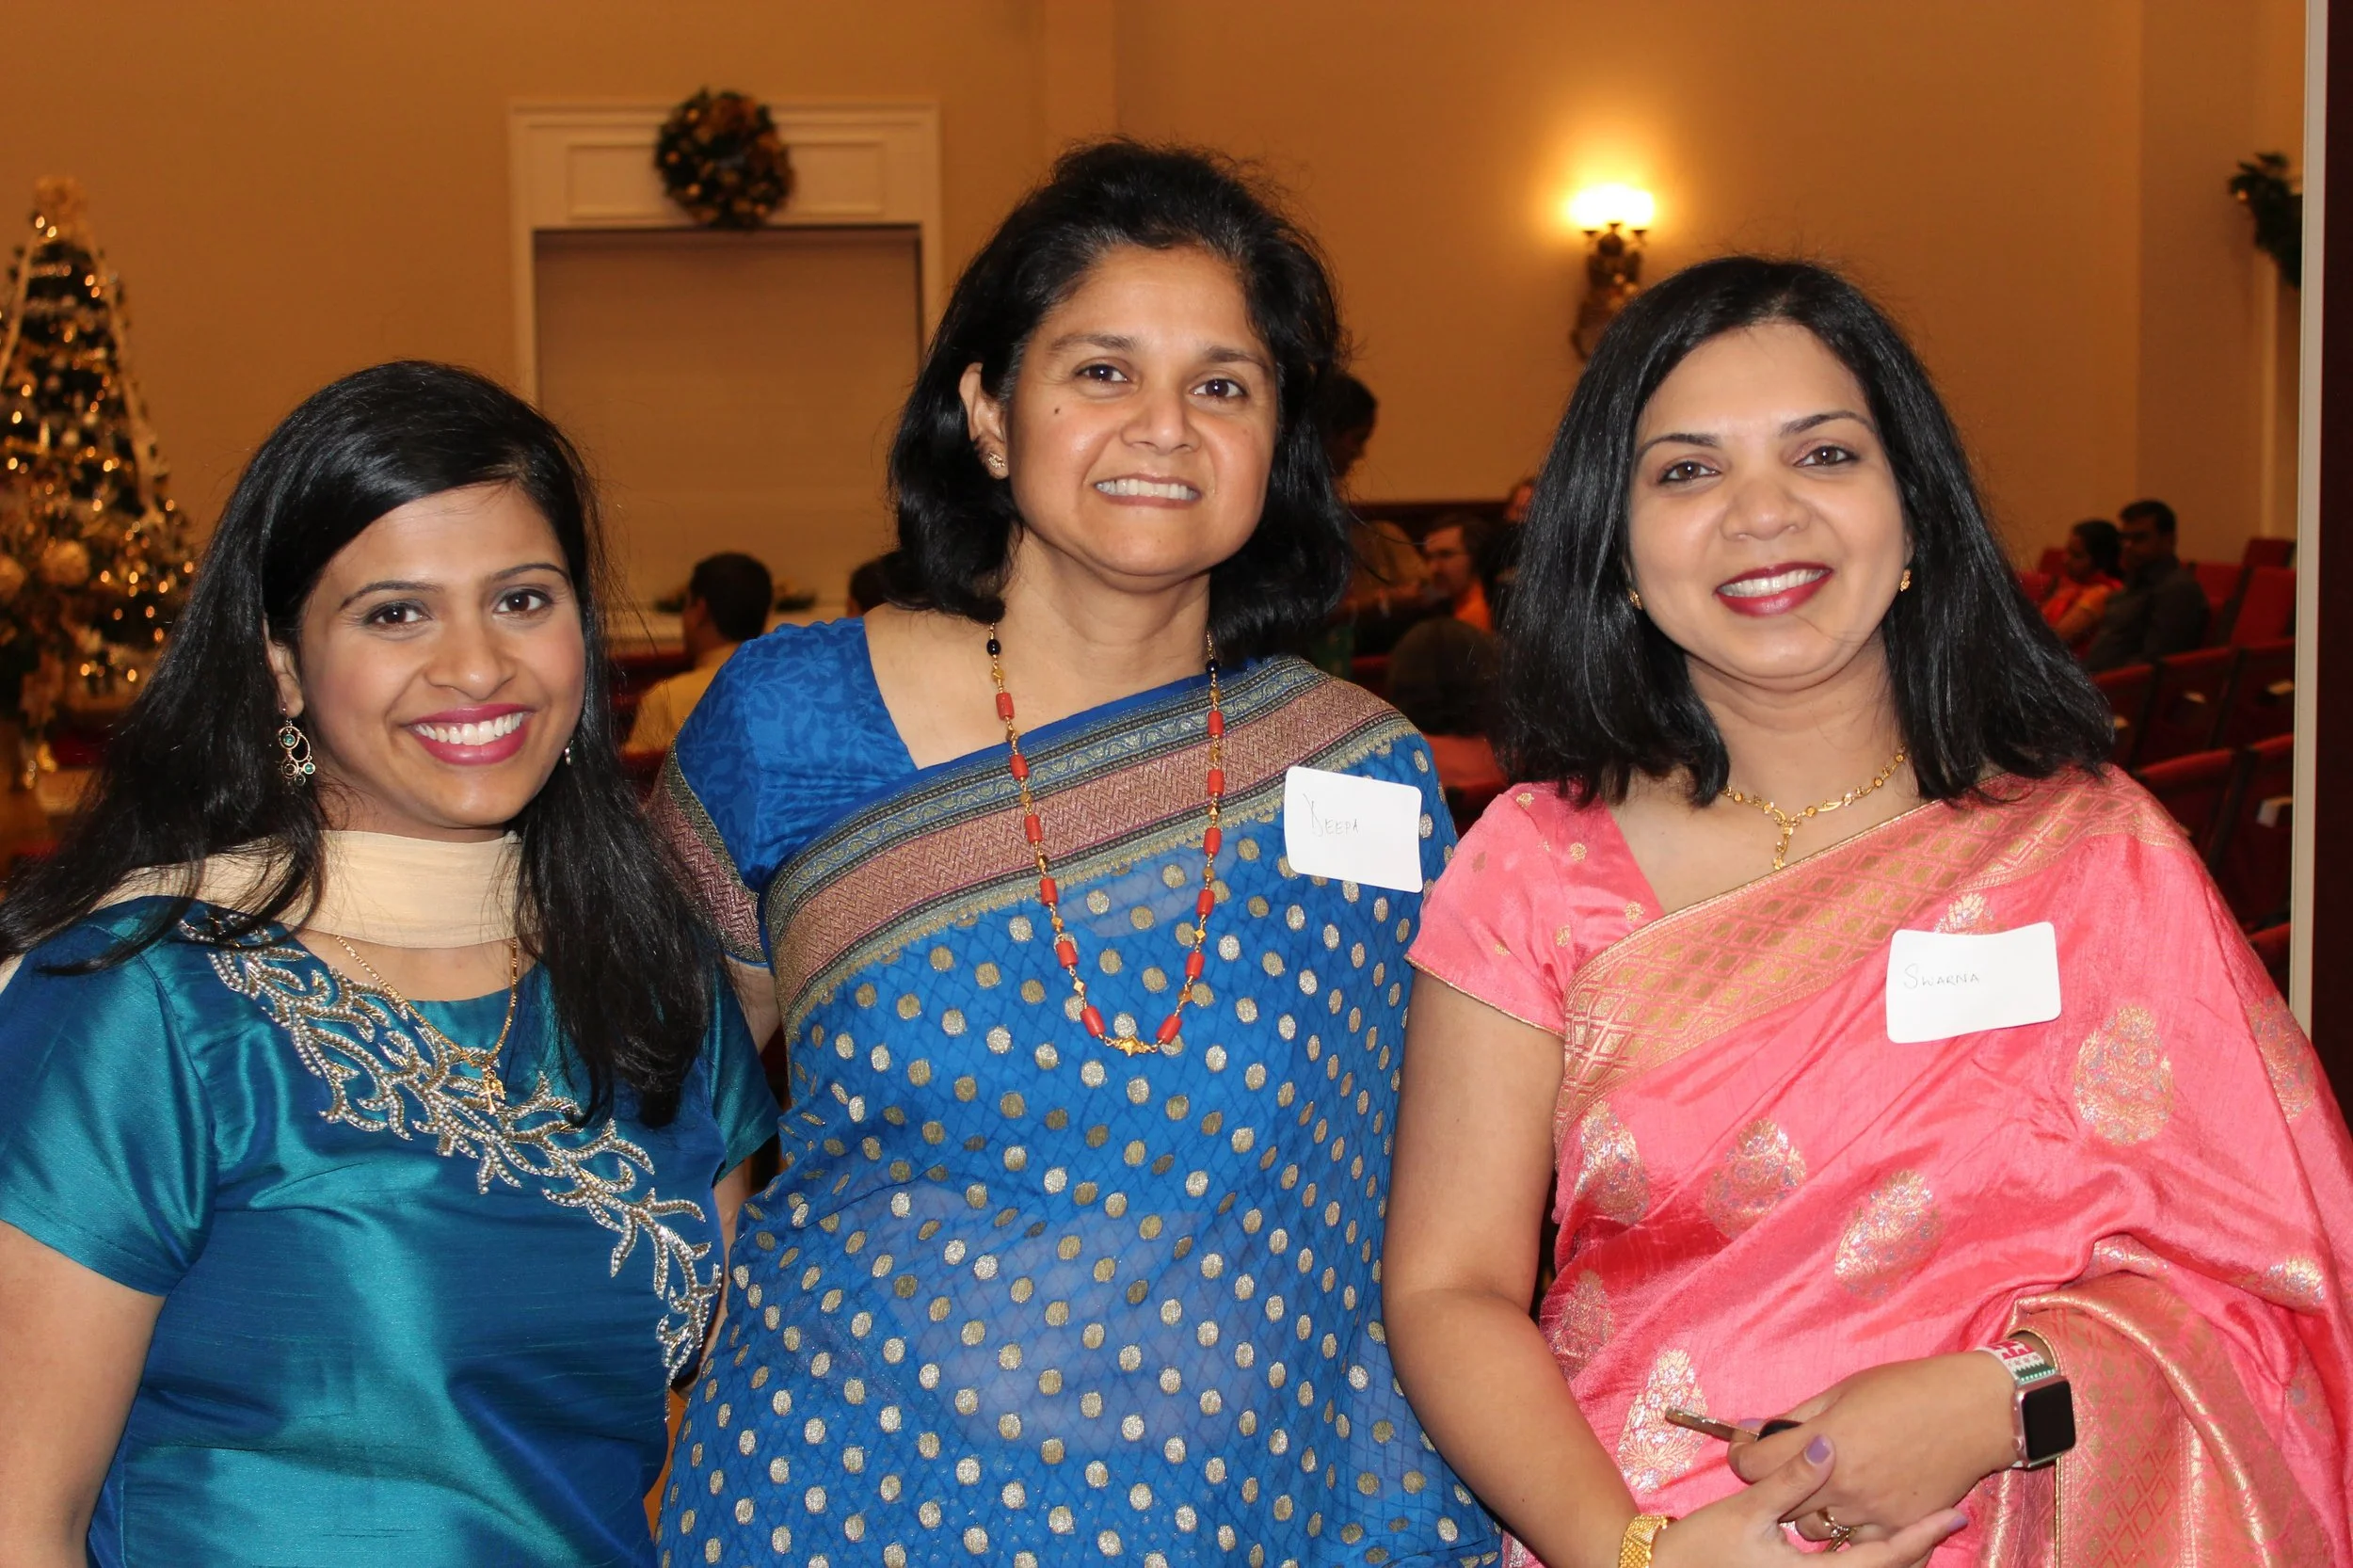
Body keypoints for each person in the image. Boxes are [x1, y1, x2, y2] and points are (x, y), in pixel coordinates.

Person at [1382, 258, 2353, 1567]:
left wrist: (2004, 1395)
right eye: (1686, 471)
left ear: (1918, 516)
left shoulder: (2089, 846)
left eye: (1823, 453)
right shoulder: (1535, 866)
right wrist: (1641, 1549)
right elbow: (1451, 1288)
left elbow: (2281, 1276)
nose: (1761, 513)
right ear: (1613, 552)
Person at [649, 140, 1495, 1568]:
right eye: (1102, 370)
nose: (1163, 427)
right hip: (835, 1502)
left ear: (1277, 441)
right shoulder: (790, 720)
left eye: (1222, 384)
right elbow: (653, 1092)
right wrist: (685, 1382)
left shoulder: (1363, 768)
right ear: (989, 413)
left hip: (1257, 1512)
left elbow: (1427, 1199)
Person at [0, 361, 777, 1567]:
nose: (475, 667)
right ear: (280, 664)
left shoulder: (650, 975)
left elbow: (708, 1427)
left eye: (523, 599)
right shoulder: (142, 996)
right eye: (395, 613)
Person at [627, 550, 774, 752]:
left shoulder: (666, 698)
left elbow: (641, 780)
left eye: (686, 606)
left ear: (700, 611)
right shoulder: (790, 691)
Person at [2081, 498, 2209, 671]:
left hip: (2120, 689)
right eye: (2124, 538)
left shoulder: (2176, 589)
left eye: (2139, 538)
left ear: (2168, 540)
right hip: (2093, 683)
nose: (2127, 546)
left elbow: (2155, 663)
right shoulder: (2133, 583)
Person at [2039, 518, 2122, 651]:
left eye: (2077, 556)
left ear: (2101, 562)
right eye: (2067, 551)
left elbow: (2054, 639)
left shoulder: (2101, 593)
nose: (2065, 560)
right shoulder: (2072, 585)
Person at [1419, 511, 1497, 632]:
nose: (1433, 568)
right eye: (1429, 557)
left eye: (1446, 555)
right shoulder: (1443, 604)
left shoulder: (1475, 613)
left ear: (1475, 557)